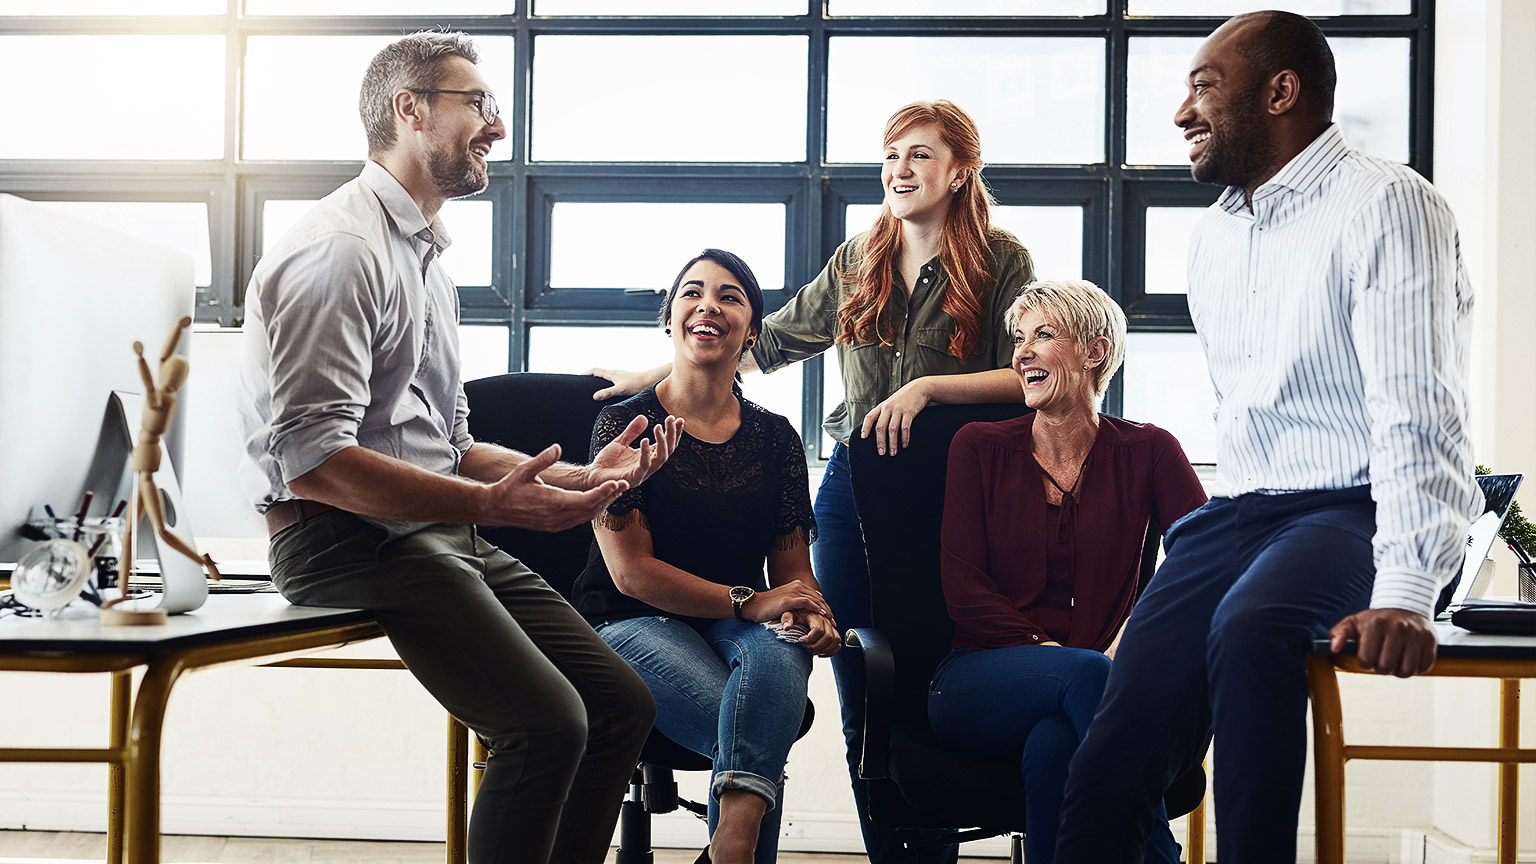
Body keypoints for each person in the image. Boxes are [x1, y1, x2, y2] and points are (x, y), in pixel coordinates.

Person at [235, 31, 683, 864]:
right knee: (547, 725)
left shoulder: (428, 262)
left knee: (620, 704)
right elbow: (314, 462)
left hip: (431, 530)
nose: (497, 127)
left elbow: (450, 445)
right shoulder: (340, 251)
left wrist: (585, 479)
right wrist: (484, 505)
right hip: (335, 536)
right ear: (409, 111)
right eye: (476, 103)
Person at [1054, 12, 1476, 863]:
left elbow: (1417, 406)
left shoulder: (1388, 203)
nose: (1181, 113)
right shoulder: (1213, 236)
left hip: (1356, 508)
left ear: (1281, 92)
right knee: (1116, 743)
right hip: (1238, 514)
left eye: (1203, 87)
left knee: (1251, 629)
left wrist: (1405, 588)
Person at [590, 100, 1035, 864]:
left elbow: (1030, 374)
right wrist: (652, 374)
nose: (900, 168)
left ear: (961, 170)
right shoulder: (859, 257)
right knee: (864, 687)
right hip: (858, 493)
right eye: (892, 153)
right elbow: (757, 342)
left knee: (930, 678)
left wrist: (927, 389)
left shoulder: (1001, 260)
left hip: (956, 496)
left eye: (921, 154)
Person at [572, 249, 839, 864]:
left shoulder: (776, 438)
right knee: (762, 717)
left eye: (731, 296)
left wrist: (808, 612)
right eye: (692, 293)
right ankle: (736, 850)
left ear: (751, 330)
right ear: (669, 318)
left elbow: (793, 574)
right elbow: (630, 573)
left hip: (735, 625)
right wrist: (753, 602)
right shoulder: (624, 424)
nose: (709, 306)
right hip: (627, 621)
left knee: (782, 651)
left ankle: (728, 849)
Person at [928, 280, 1205, 864]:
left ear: (1095, 352)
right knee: (1083, 677)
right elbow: (963, 587)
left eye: (1044, 335)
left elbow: (1202, 562)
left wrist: (1127, 645)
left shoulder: (1151, 451)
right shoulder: (975, 446)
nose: (1022, 353)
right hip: (975, 680)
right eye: (1019, 339)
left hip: (1098, 685)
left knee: (1056, 745)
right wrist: (1061, 654)